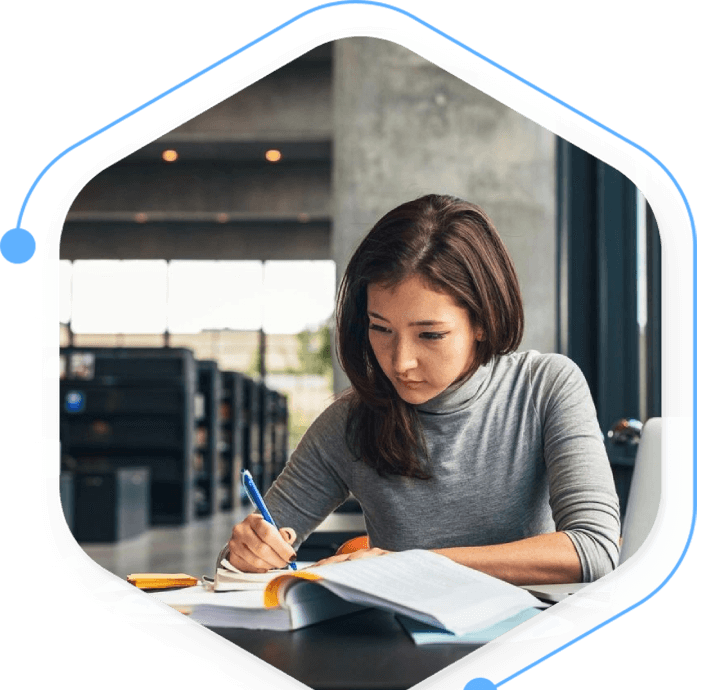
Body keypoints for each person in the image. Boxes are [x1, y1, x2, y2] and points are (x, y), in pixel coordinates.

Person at [218, 195, 621, 586]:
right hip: (399, 647)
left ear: (483, 321)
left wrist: (412, 566)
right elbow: (236, 567)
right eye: (381, 329)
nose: (399, 362)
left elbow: (595, 549)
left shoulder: (545, 386)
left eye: (430, 334)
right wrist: (246, 554)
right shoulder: (348, 422)